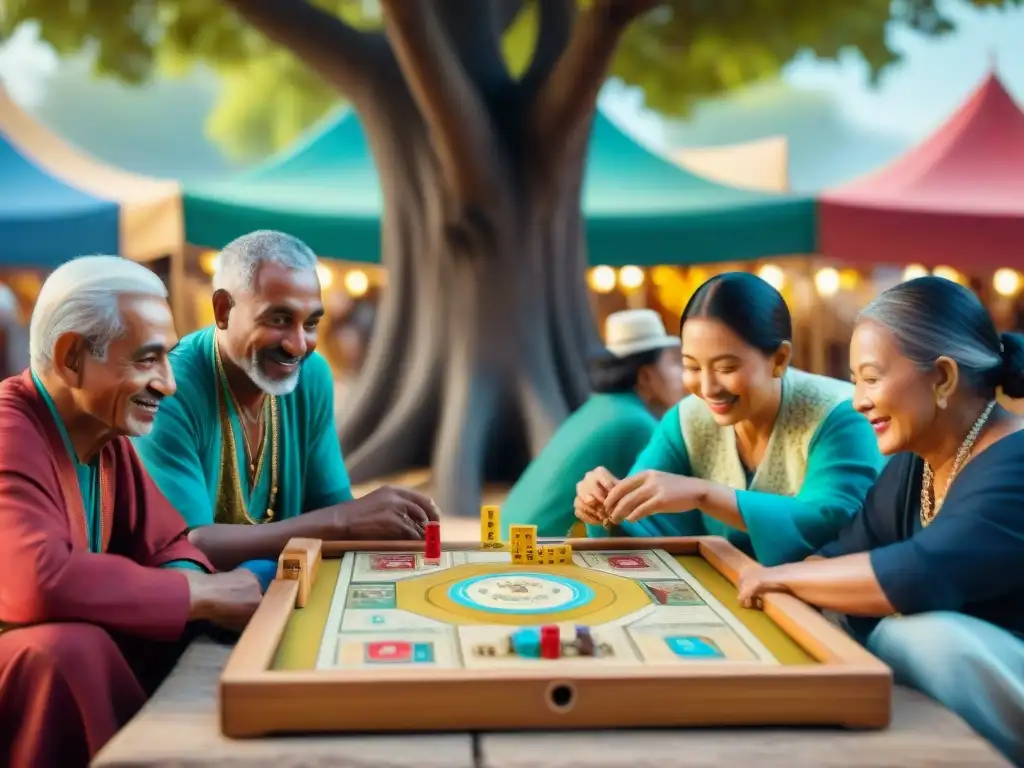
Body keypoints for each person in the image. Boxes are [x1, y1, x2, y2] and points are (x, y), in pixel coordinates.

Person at [737, 276, 1024, 766]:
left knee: (921, 636)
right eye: (855, 382)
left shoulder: (1014, 459)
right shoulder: (919, 460)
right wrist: (796, 577)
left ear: (943, 378)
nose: (858, 401)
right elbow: (840, 555)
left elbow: (919, 573)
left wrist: (779, 577)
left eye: (871, 378)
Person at [0, 256, 263, 768]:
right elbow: (38, 579)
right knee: (67, 650)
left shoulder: (103, 431)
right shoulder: (10, 431)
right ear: (72, 356)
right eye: (147, 360)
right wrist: (195, 593)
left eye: (168, 359)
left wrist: (189, 585)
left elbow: (167, 544)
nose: (168, 383)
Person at [133, 231, 438, 586]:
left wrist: (382, 519)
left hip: (280, 587)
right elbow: (189, 545)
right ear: (223, 310)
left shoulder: (312, 376)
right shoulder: (169, 388)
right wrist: (345, 520)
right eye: (278, 319)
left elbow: (330, 506)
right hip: (192, 608)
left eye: (311, 323)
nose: (298, 345)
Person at [575, 272, 884, 566]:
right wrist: (604, 506)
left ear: (779, 359)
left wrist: (704, 494)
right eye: (692, 367)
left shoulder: (841, 414)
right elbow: (639, 526)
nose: (707, 389)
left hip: (830, 606)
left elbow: (831, 519)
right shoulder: (687, 420)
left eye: (725, 368)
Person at [501, 309, 684, 537]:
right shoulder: (635, 424)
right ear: (646, 375)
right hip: (536, 550)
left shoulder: (603, 407)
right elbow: (663, 522)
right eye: (674, 363)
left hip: (506, 534)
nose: (682, 376)